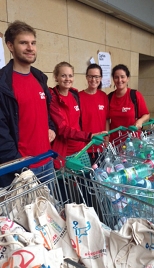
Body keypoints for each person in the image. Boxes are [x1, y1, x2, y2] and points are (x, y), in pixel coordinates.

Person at [0, 20, 56, 187]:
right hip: (22, 170)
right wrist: (20, 166)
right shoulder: (3, 84)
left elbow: (45, 111)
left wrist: (51, 127)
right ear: (10, 46)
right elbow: (1, 133)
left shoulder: (40, 78)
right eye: (23, 43)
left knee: (50, 212)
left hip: (47, 162)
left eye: (33, 43)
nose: (30, 48)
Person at [49, 61, 106, 204]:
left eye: (70, 75)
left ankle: (87, 217)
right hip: (64, 153)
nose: (67, 79)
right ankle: (69, 220)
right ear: (56, 77)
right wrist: (88, 136)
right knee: (65, 194)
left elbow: (77, 122)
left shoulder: (74, 95)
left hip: (80, 151)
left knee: (87, 189)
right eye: (63, 75)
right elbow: (62, 129)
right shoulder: (53, 99)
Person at [108, 64, 150, 142]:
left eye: (122, 77)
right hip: (115, 142)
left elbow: (146, 114)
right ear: (113, 79)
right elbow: (107, 120)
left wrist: (140, 121)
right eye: (116, 77)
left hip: (133, 141)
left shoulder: (135, 95)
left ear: (128, 78)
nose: (119, 80)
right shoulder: (109, 97)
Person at [79, 63, 109, 165]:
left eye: (96, 76)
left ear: (100, 78)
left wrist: (107, 139)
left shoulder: (103, 96)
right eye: (91, 76)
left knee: (101, 176)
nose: (93, 79)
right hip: (85, 148)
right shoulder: (78, 97)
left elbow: (106, 120)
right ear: (86, 77)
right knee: (86, 179)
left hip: (101, 146)